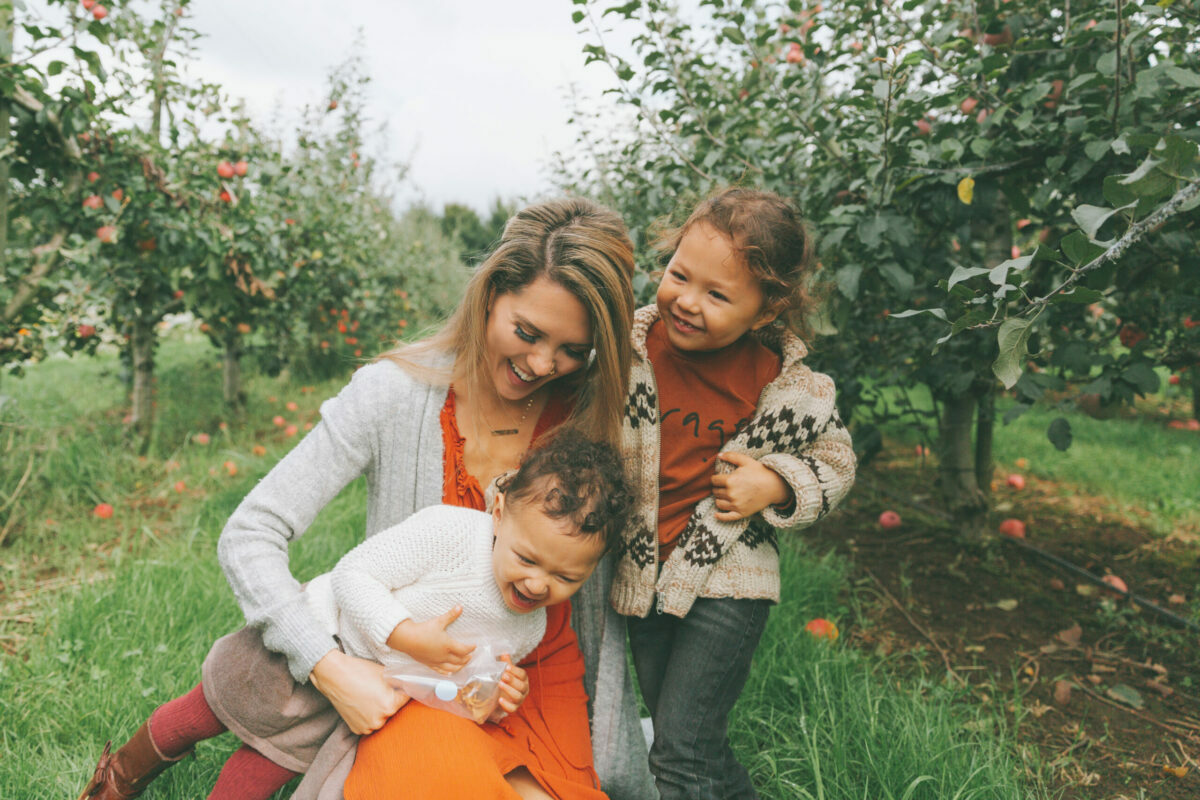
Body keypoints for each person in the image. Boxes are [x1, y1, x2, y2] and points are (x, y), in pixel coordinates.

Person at [76, 198, 655, 800]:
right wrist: (327, 665)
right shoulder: (393, 396)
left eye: (571, 351)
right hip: (412, 682)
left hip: (519, 684)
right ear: (488, 296)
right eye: (528, 333)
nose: (542, 364)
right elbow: (251, 533)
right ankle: (124, 773)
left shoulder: (590, 424)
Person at [77, 431, 634, 800]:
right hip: (309, 644)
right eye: (526, 558)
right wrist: (408, 636)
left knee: (265, 766)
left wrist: (486, 696)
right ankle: (119, 777)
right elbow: (353, 575)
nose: (539, 584)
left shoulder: (530, 626)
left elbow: (450, 687)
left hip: (351, 702)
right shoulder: (448, 533)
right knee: (205, 712)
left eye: (567, 579)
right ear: (499, 507)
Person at [612, 187, 858, 800]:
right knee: (695, 740)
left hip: (730, 583)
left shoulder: (790, 387)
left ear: (766, 311)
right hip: (643, 577)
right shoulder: (628, 351)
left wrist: (775, 481)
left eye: (717, 295)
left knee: (678, 754)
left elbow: (837, 461)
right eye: (678, 275)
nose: (687, 301)